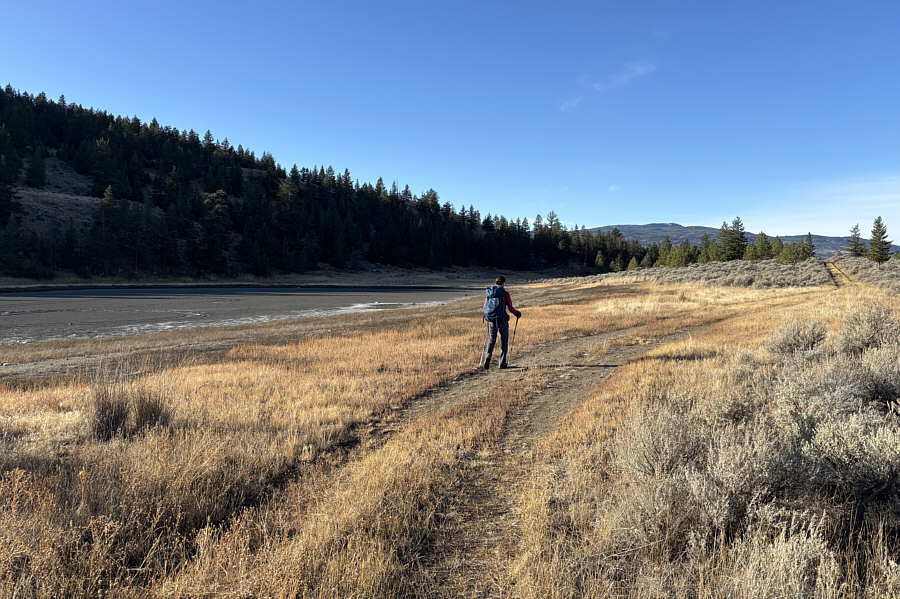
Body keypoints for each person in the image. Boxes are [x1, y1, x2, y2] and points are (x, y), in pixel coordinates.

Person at [482, 275, 522, 369]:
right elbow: (510, 308)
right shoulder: (505, 293)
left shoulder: (490, 292)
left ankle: (488, 355)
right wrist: (517, 313)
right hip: (502, 319)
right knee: (504, 340)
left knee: (492, 339)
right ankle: (502, 362)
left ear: (495, 282)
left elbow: (485, 307)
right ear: (504, 283)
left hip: (491, 319)